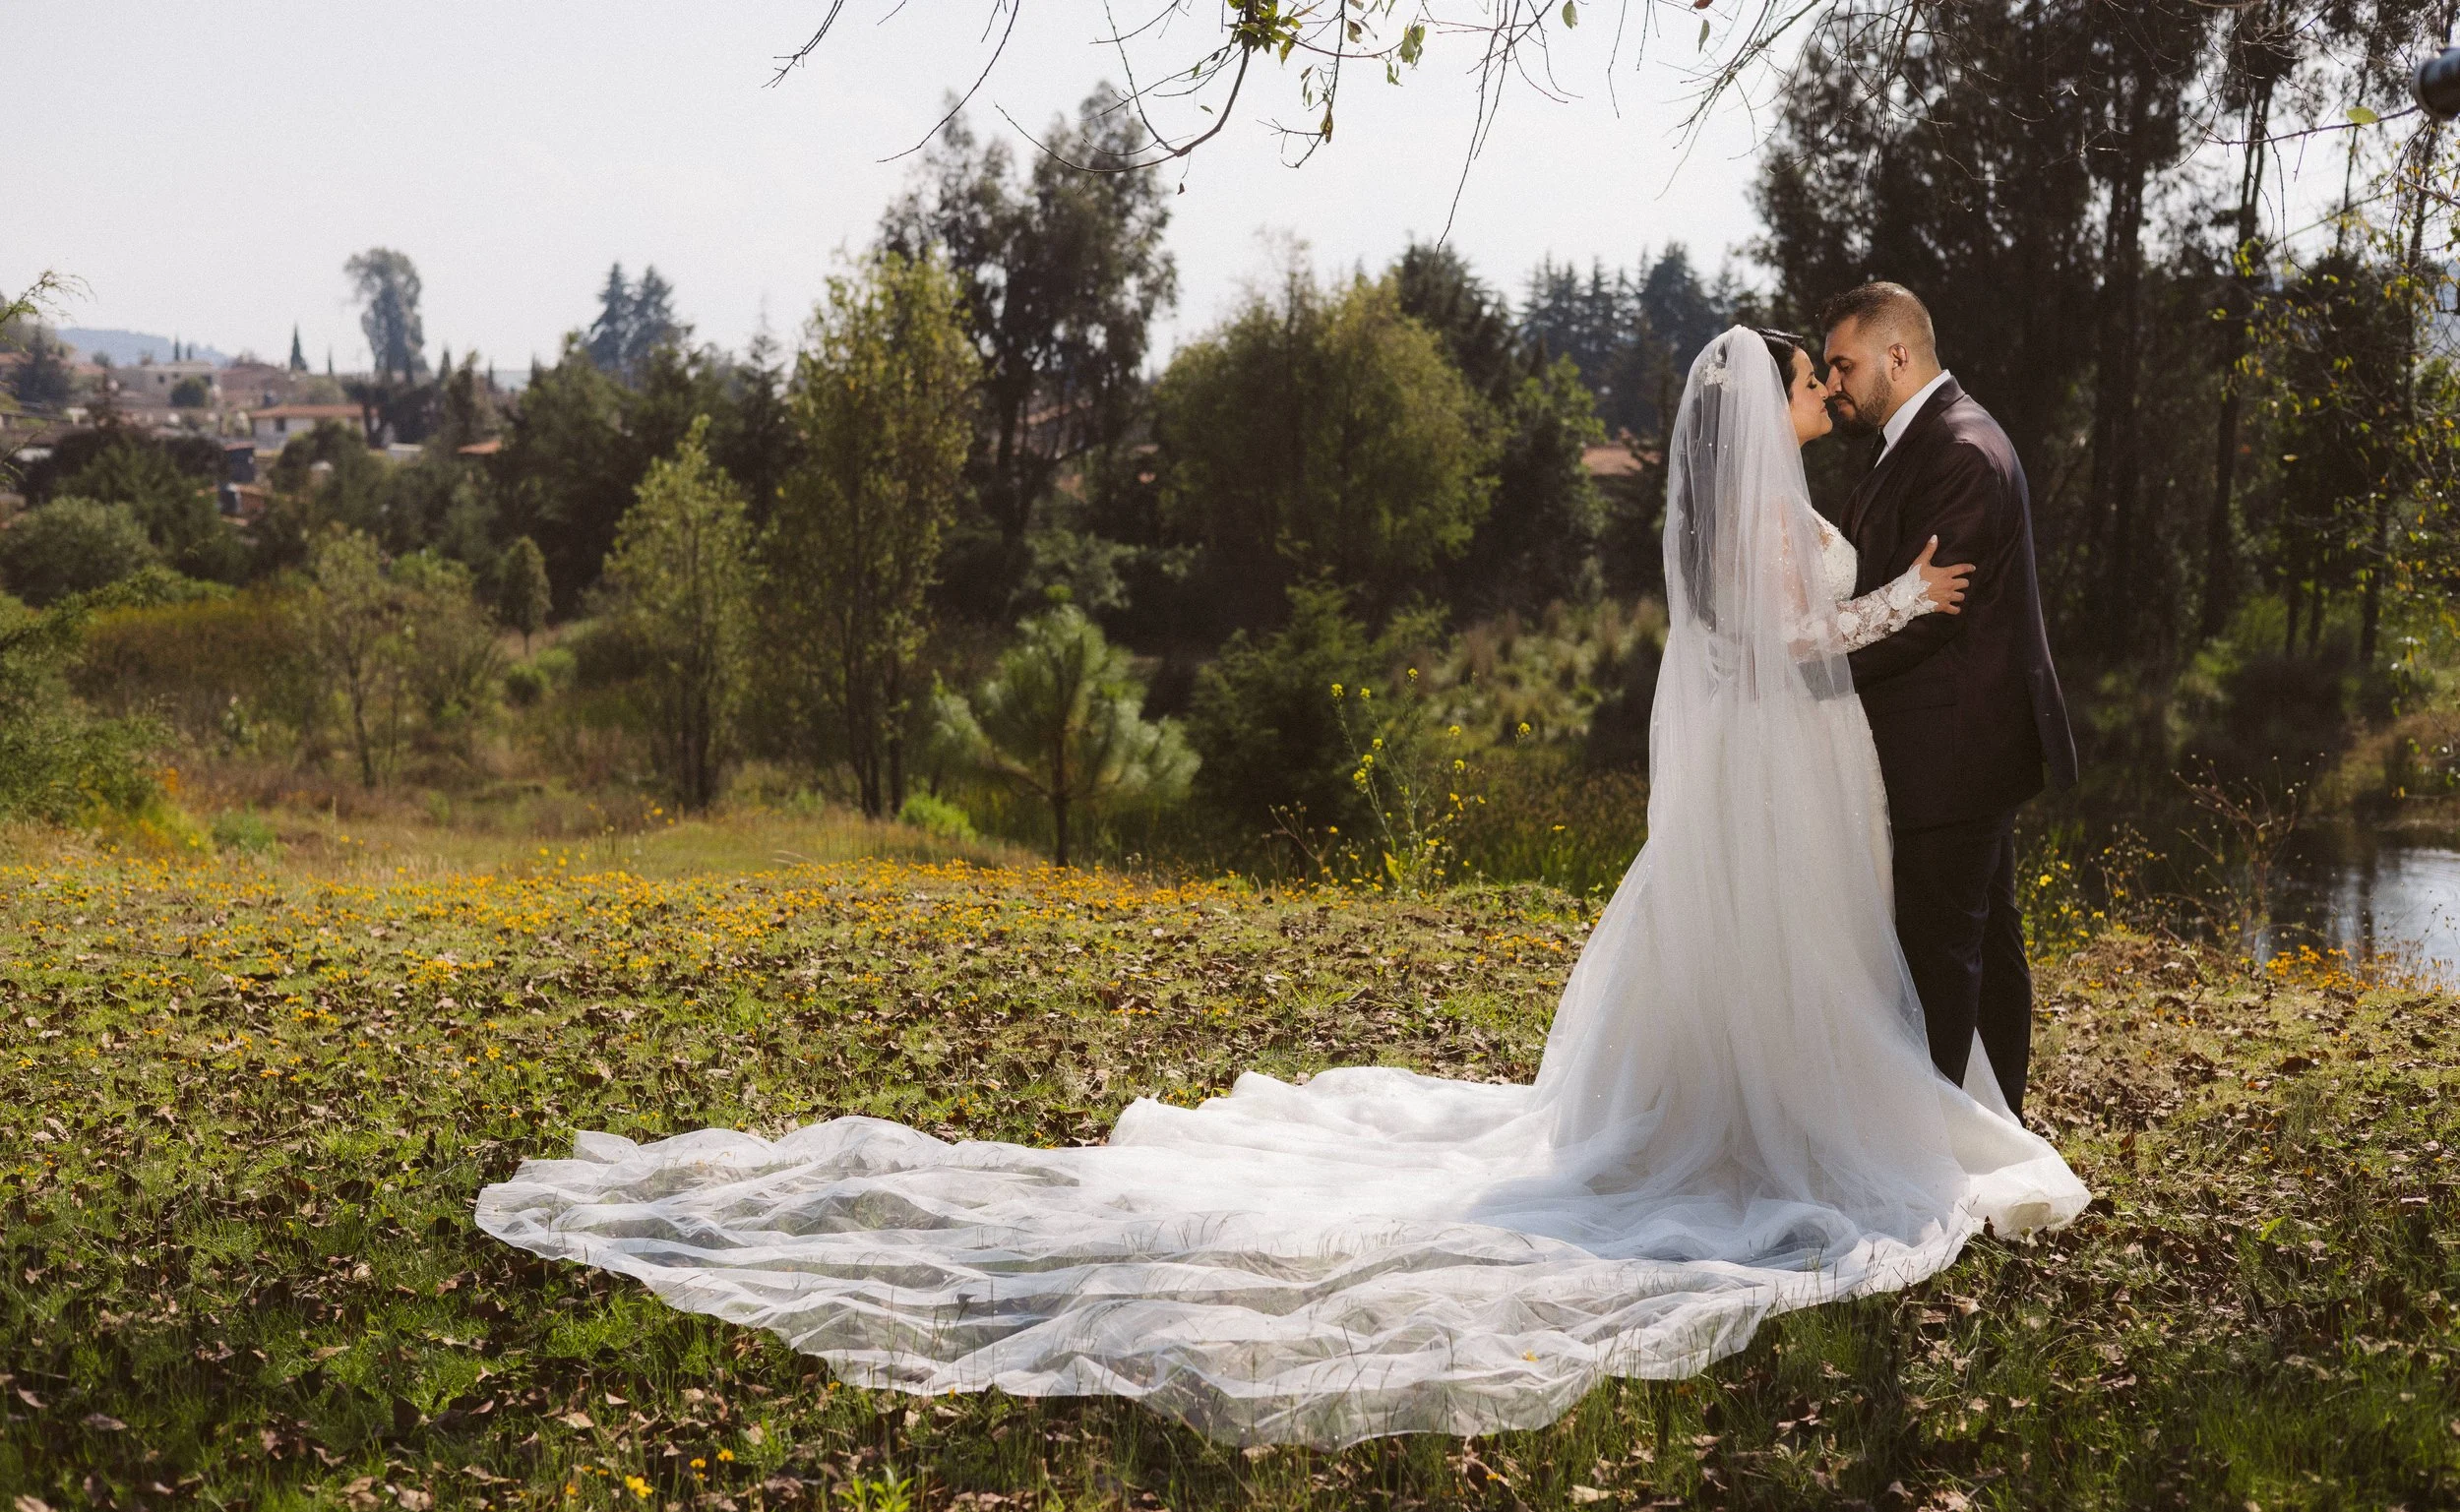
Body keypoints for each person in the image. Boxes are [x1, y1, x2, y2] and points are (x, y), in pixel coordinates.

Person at [477, 326, 2088, 1450]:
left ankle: (1767, 1105)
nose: (1822, 388)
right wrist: (1897, 613)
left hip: (1761, 798)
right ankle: (1780, 1126)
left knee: (1779, 972)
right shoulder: (1774, 527)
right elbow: (1782, 648)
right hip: (1773, 787)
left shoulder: (1766, 510)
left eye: (1828, 372)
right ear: (1768, 412)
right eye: (1807, 379)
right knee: (1791, 981)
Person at [1817, 283, 2077, 1126]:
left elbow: (1930, 618)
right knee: (1984, 946)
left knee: (1940, 957)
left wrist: (1804, 680)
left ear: (1898, 355)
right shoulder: (1914, 443)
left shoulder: (1960, 450)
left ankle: (1930, 1155)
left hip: (1952, 753)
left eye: (1843, 364)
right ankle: (1996, 1127)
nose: (1832, 384)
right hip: (1954, 748)